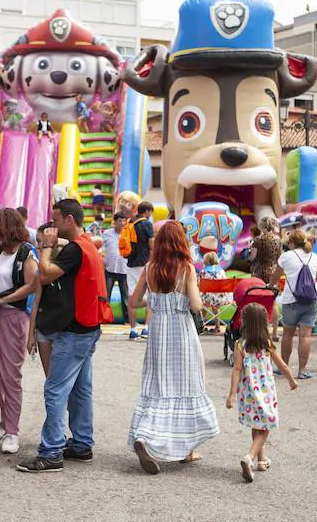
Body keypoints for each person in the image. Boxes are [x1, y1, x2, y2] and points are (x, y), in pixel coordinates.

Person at [17, 199, 106, 473]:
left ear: (68, 220)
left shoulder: (76, 249)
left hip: (74, 330)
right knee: (81, 390)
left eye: (55, 220)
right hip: (88, 327)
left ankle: (52, 451)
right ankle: (81, 444)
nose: (52, 226)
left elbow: (44, 275)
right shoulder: (88, 243)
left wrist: (44, 247)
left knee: (55, 390)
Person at [126, 221, 219, 474]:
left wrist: (155, 298)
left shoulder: (149, 268)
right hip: (182, 333)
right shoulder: (186, 268)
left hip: (158, 334)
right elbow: (197, 306)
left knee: (158, 386)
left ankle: (144, 436)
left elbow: (133, 302)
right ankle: (185, 449)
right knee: (185, 385)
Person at [0, 208, 38, 454]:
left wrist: (3, 300)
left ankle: (13, 431)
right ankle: (5, 423)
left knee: (11, 376)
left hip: (13, 317)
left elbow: (32, 286)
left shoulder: (26, 252)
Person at [226, 303, 298, 482]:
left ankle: (261, 460)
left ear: (245, 322)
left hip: (248, 394)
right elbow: (282, 365)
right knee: (266, 427)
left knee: (256, 424)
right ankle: (249, 457)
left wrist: (232, 394)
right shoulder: (266, 344)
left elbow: (236, 369)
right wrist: (291, 380)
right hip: (265, 394)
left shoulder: (239, 345)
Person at [276, 229, 317, 380]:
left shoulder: (285, 257)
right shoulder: (314, 256)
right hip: (311, 300)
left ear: (291, 243)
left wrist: (271, 285)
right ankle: (302, 371)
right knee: (305, 336)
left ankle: (284, 368)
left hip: (291, 300)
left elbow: (275, 276)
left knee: (288, 335)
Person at [26, 223, 66, 376]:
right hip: (44, 331)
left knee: (61, 380)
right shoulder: (40, 272)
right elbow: (36, 302)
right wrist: (31, 336)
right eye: (37, 241)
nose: (38, 246)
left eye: (42, 242)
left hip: (64, 331)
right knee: (50, 378)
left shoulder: (66, 265)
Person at [126, 201, 155, 340]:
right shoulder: (146, 224)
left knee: (132, 297)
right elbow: (152, 245)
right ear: (147, 211)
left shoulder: (130, 222)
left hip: (130, 264)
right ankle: (146, 328)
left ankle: (132, 329)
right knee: (150, 295)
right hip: (144, 264)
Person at [101, 213, 130, 323]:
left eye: (124, 221)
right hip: (110, 269)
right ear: (115, 221)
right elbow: (101, 248)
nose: (122, 223)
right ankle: (104, 318)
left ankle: (127, 319)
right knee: (106, 295)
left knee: (125, 296)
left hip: (124, 269)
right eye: (120, 221)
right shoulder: (107, 234)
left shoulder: (128, 234)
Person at [198, 252, 231, 333]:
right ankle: (217, 326)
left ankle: (201, 325)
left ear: (206, 261)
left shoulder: (203, 272)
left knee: (203, 305)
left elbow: (198, 285)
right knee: (215, 305)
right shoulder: (221, 271)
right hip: (221, 299)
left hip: (207, 300)